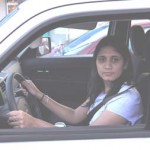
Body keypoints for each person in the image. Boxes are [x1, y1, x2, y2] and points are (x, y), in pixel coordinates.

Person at [7, 36, 144, 128]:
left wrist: (32, 122)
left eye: (115, 59)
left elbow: (86, 139)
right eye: (102, 59)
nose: (107, 66)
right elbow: (74, 116)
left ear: (125, 64)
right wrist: (39, 95)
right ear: (95, 62)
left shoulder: (127, 99)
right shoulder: (105, 89)